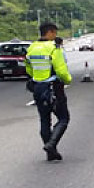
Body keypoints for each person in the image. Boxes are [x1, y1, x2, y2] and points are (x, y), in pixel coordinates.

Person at [25, 23, 71, 161]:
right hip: (53, 86)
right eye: (55, 33)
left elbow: (28, 68)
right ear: (50, 32)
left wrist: (37, 77)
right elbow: (61, 70)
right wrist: (68, 80)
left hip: (38, 87)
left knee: (45, 120)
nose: (55, 36)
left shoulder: (31, 48)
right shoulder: (53, 48)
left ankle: (51, 153)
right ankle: (51, 144)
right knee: (63, 118)